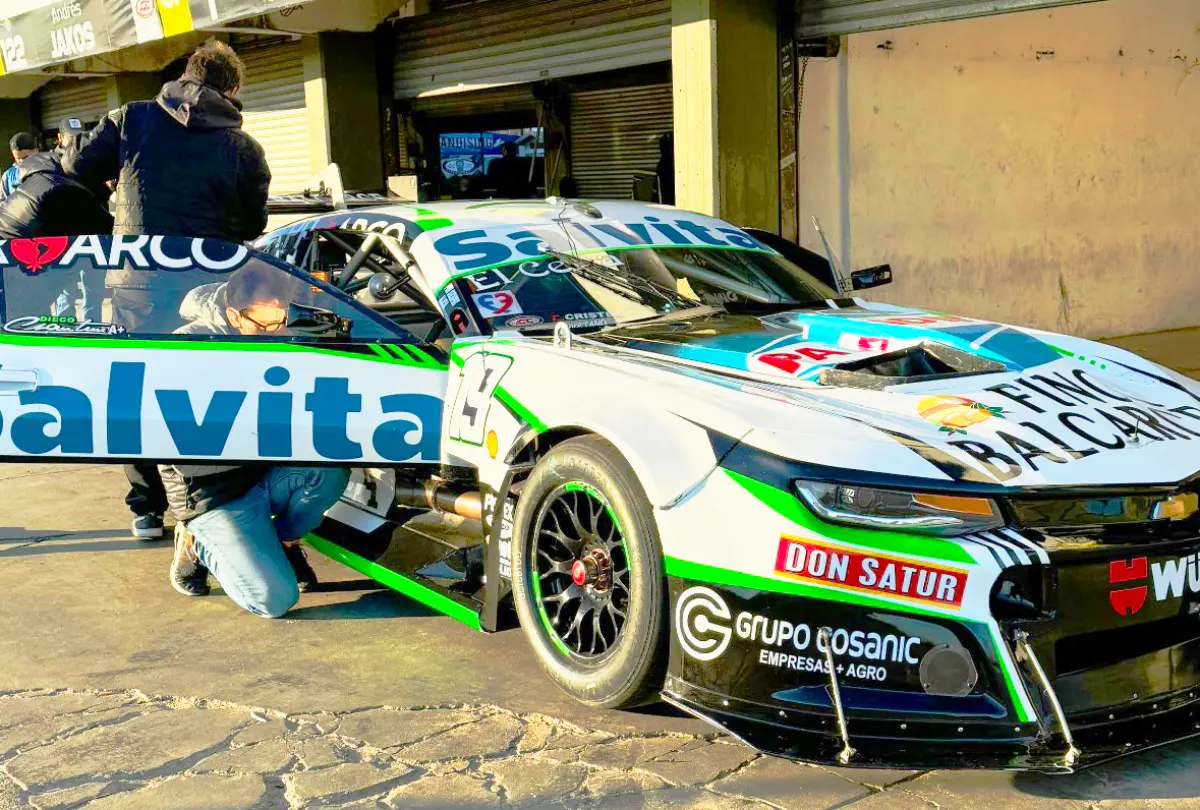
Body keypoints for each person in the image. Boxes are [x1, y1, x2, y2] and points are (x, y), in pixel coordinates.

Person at [62, 40, 272, 542]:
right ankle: (209, 503)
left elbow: (75, 171)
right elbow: (252, 220)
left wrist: (117, 194)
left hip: (136, 279)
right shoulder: (242, 147)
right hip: (208, 282)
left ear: (187, 74)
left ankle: (146, 507)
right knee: (205, 385)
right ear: (233, 88)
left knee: (134, 385)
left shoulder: (130, 118)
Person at [164, 265, 333, 610]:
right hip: (212, 490)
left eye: (280, 319)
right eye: (263, 324)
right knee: (274, 600)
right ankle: (196, 542)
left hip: (263, 473)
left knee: (329, 471)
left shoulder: (285, 330)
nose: (274, 331)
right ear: (233, 315)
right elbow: (171, 447)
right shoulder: (185, 348)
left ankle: (283, 543)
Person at [1, 132, 37, 200]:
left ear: (36, 151)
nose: (21, 162)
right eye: (17, 158)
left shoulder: (50, 169)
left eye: (25, 157)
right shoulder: (8, 177)